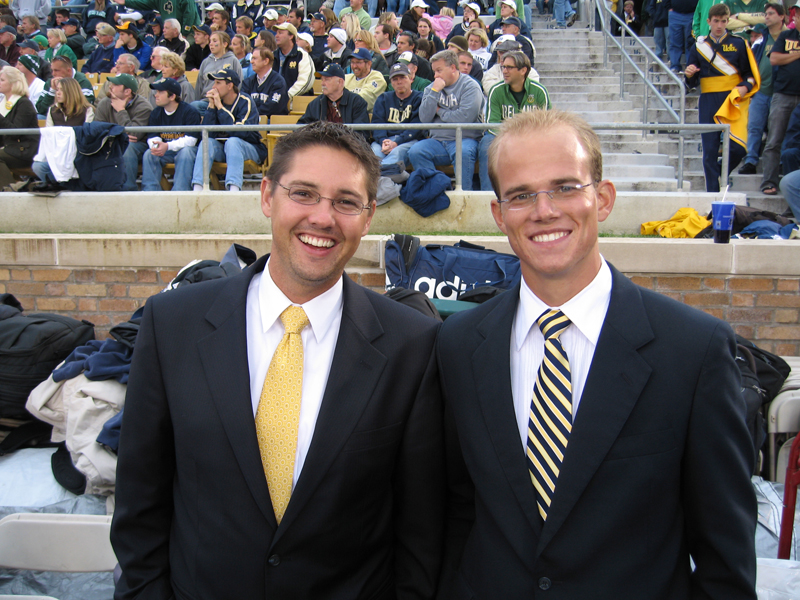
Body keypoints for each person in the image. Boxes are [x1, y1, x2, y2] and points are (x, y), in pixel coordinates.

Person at [111, 119, 444, 599]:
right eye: (303, 193)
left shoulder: (413, 344)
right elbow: (140, 505)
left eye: (346, 202)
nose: (323, 218)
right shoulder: (173, 324)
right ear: (267, 196)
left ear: (368, 216)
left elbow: (420, 533)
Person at [436, 108, 758, 599]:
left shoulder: (694, 351)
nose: (544, 210)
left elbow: (725, 559)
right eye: (521, 194)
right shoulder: (458, 345)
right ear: (500, 214)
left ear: (602, 198)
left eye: (565, 187)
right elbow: (458, 512)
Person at [685, 3, 759, 192]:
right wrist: (689, 74)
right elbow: (691, 83)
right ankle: (712, 195)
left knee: (739, 148)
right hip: (708, 100)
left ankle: (717, 172)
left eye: (724, 21)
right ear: (708, 22)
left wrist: (744, 88)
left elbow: (750, 75)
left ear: (728, 22)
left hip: (732, 100)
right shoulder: (698, 47)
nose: (719, 25)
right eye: (716, 21)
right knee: (709, 152)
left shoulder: (739, 43)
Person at [407, 49, 484, 190]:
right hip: (437, 141)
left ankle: (464, 196)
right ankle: (436, 191)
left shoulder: (470, 86)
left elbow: (464, 118)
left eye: (439, 70)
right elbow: (424, 118)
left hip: (465, 140)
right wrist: (434, 92)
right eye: (434, 71)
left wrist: (439, 111)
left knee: (463, 152)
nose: (435, 75)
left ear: (453, 68)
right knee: (416, 151)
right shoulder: (432, 88)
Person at [479, 50, 550, 191]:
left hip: (532, 137)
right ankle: (487, 194)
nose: (504, 71)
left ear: (523, 70)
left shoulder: (539, 91)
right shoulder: (496, 90)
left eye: (509, 67)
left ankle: (541, 189)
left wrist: (523, 138)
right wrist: (512, 138)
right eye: (503, 67)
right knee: (486, 145)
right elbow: (492, 125)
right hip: (500, 137)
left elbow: (546, 123)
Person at [190, 67, 267, 192]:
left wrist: (220, 107)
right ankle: (198, 188)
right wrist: (211, 106)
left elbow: (239, 132)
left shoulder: (245, 101)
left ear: (230, 85)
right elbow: (208, 134)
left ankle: (234, 190)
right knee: (206, 142)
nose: (214, 87)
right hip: (224, 150)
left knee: (233, 141)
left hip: (250, 147)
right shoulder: (215, 102)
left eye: (218, 83)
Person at [739, 4, 787, 174]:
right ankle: (750, 160)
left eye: (771, 14)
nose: (767, 17)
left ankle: (780, 162)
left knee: (779, 129)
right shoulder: (761, 39)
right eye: (766, 14)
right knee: (754, 126)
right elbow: (751, 62)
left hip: (782, 92)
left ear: (782, 16)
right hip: (761, 91)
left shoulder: (790, 37)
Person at [758, 4, 800, 196]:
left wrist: (788, 56)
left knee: (793, 145)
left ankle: (793, 185)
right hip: (783, 94)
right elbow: (774, 58)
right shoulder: (786, 36)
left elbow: (781, 58)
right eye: (797, 13)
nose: (797, 16)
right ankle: (769, 181)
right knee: (774, 140)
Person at [94, 72, 153, 191]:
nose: (110, 87)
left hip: (139, 146)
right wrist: (117, 136)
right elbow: (96, 130)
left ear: (127, 91)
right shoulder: (105, 103)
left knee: (128, 146)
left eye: (115, 85)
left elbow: (134, 135)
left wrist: (121, 111)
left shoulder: (143, 106)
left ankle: (128, 189)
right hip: (111, 142)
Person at [141, 78, 200, 192]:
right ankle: (149, 192)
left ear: (172, 96)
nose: (156, 95)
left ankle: (180, 191)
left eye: (160, 92)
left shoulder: (190, 111)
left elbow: (191, 140)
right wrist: (157, 146)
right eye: (156, 92)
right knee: (150, 153)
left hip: (186, 150)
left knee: (186, 152)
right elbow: (152, 135)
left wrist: (167, 146)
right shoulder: (156, 112)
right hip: (166, 151)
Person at [31, 77, 94, 184]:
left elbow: (87, 137)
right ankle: (58, 185)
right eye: (57, 90)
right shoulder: (52, 110)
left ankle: (69, 185)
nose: (58, 93)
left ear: (71, 91)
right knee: (38, 166)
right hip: (56, 155)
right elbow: (48, 136)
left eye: (61, 90)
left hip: (77, 156)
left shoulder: (87, 110)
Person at [371, 61, 424, 173]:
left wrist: (397, 142)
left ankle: (376, 179)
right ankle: (384, 182)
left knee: (397, 152)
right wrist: (383, 141)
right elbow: (377, 124)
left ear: (410, 79)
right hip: (385, 140)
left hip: (409, 140)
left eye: (403, 78)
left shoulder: (419, 98)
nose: (399, 82)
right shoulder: (384, 98)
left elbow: (416, 127)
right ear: (391, 83)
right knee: (375, 152)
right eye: (395, 79)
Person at [297, 62, 370, 134]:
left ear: (340, 82)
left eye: (327, 79)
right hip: (322, 144)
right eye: (322, 79)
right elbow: (300, 128)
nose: (322, 83)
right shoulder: (315, 104)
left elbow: (362, 133)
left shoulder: (356, 102)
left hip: (347, 144)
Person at [0, 66, 38, 189]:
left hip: (25, 150)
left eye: (2, 80)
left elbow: (15, 132)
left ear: (13, 83)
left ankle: (8, 190)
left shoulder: (24, 103)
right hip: (11, 148)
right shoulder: (4, 103)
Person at [193, 31, 242, 111]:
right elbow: (199, 85)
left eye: (215, 41)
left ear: (225, 44)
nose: (211, 44)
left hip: (226, 103)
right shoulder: (205, 62)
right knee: (194, 107)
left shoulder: (233, 60)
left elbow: (239, 83)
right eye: (210, 41)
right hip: (207, 101)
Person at [241, 47, 289, 117]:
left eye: (255, 58)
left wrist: (253, 112)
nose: (251, 62)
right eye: (252, 58)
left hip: (272, 124)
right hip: (251, 121)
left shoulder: (278, 82)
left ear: (266, 61)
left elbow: (274, 107)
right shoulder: (247, 82)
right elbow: (243, 104)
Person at [115, 0, 201, 40]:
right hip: (171, 33)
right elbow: (144, 3)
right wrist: (126, 2)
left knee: (188, 47)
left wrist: (184, 33)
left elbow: (189, 15)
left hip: (191, 32)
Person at [273, 22, 314, 99]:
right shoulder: (272, 55)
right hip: (274, 100)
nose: (276, 36)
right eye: (276, 33)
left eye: (280, 33)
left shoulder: (302, 55)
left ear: (291, 36)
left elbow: (305, 82)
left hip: (297, 100)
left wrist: (287, 96)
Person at [344, 47, 387, 113]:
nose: (354, 66)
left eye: (358, 62)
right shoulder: (346, 78)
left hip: (367, 119)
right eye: (352, 62)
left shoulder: (377, 77)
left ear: (369, 64)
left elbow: (364, 98)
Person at [668, 0, 698, 74]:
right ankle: (674, 66)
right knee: (674, 43)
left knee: (690, 43)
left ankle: (690, 67)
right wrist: (668, 7)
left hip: (691, 14)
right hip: (675, 14)